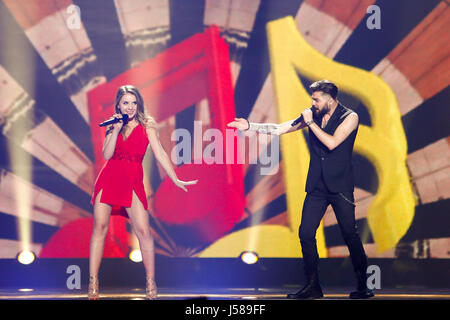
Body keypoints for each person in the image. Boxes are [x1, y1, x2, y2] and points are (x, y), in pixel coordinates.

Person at [227, 80, 374, 299]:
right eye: (312, 98)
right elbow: (281, 128)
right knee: (305, 234)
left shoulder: (350, 117)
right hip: (317, 185)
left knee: (349, 234)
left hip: (340, 185)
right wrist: (250, 126)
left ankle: (363, 285)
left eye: (316, 99)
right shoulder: (311, 114)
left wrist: (311, 124)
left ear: (330, 99)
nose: (313, 103)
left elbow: (332, 143)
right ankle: (313, 286)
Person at [89, 85, 198, 300]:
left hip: (132, 180)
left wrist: (175, 178)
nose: (129, 107)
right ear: (118, 104)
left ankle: (150, 281)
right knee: (100, 227)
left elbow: (160, 154)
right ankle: (93, 281)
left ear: (138, 104)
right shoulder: (113, 125)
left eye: (133, 102)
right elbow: (107, 154)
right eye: (125, 103)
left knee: (144, 231)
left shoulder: (148, 126)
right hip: (109, 177)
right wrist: (116, 129)